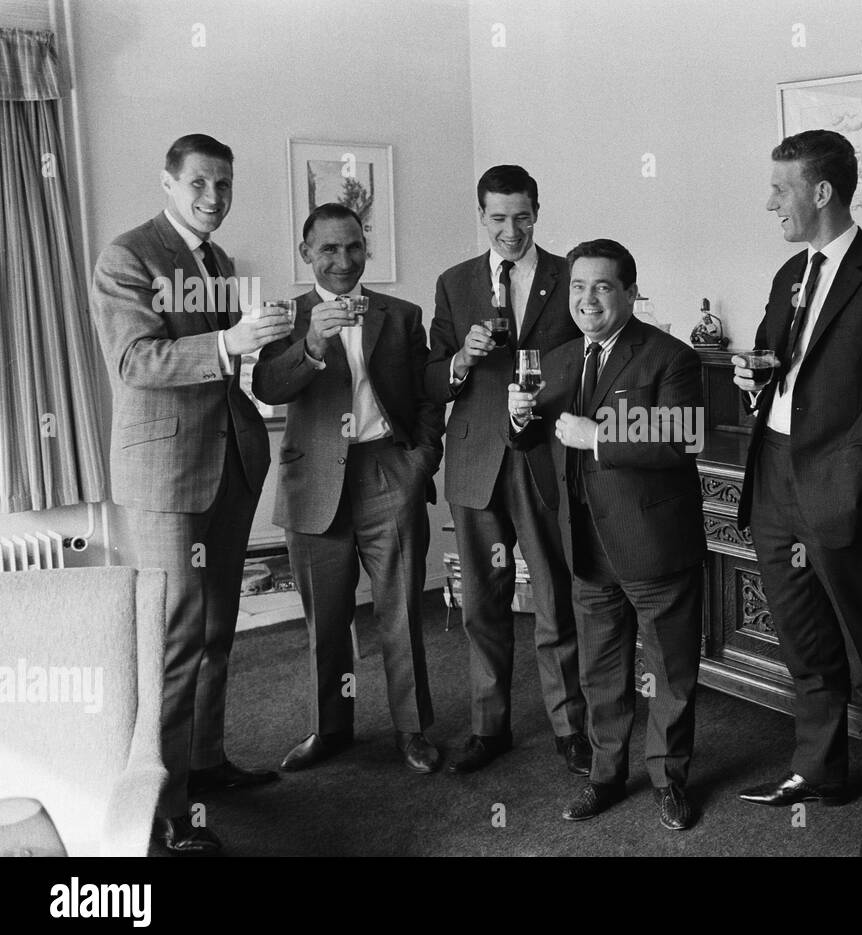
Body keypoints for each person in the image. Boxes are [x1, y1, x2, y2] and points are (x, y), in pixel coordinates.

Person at [732, 130, 862, 856]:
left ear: (821, 192)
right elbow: (774, 358)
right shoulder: (791, 270)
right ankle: (821, 773)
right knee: (804, 641)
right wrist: (753, 376)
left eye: (779, 190)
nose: (770, 203)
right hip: (774, 480)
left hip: (843, 491)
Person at [89, 134, 293, 855]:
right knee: (176, 638)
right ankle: (164, 805)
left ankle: (204, 761)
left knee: (215, 629)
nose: (214, 198)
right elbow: (135, 360)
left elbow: (219, 360)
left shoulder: (218, 262)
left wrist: (255, 343)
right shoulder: (127, 255)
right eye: (201, 184)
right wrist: (231, 343)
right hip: (166, 474)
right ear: (168, 183)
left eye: (225, 186)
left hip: (230, 462)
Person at [508, 239, 705, 830]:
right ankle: (605, 775)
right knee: (601, 672)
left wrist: (597, 437)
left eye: (601, 286)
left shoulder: (669, 356)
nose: (586, 299)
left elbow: (682, 437)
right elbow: (536, 436)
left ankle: (669, 782)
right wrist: (518, 419)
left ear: (629, 290)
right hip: (585, 546)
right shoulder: (561, 358)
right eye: (576, 286)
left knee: (670, 673)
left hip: (653, 547)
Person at [252, 203, 444, 775]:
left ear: (367, 249)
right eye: (329, 249)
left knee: (403, 611)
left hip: (389, 471)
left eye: (354, 246)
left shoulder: (403, 314)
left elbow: (429, 394)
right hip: (314, 481)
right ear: (307, 252)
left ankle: (412, 730)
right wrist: (310, 345)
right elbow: (267, 387)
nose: (343, 259)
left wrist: (421, 462)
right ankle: (330, 729)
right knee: (326, 621)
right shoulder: (285, 318)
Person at [426, 166, 589, 776]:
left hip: (543, 455)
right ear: (482, 216)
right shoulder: (454, 282)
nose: (511, 229)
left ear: (537, 211)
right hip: (474, 462)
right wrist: (463, 359)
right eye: (498, 218)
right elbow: (431, 378)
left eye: (521, 216)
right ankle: (487, 726)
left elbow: (586, 353)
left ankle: (570, 727)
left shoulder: (566, 276)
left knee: (555, 597)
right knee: (481, 605)